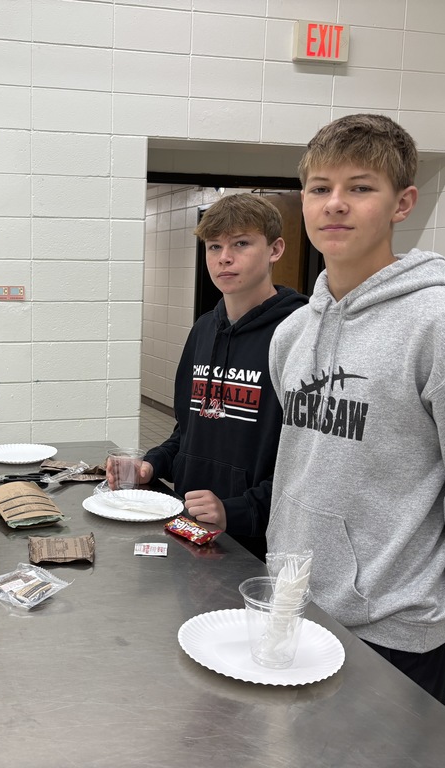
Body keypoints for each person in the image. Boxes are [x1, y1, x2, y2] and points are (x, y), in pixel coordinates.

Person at [266, 113, 445, 705]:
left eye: (360, 187)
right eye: (320, 188)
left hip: (395, 628)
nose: (335, 204)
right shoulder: (291, 334)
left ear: (402, 202)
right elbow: (301, 467)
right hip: (293, 604)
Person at [108, 194, 307, 561]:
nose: (224, 258)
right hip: (191, 523)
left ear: (275, 249)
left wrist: (237, 510)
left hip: (258, 542)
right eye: (214, 246)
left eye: (241, 244)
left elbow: (309, 458)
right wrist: (152, 463)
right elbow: (188, 429)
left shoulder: (300, 332)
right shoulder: (203, 330)